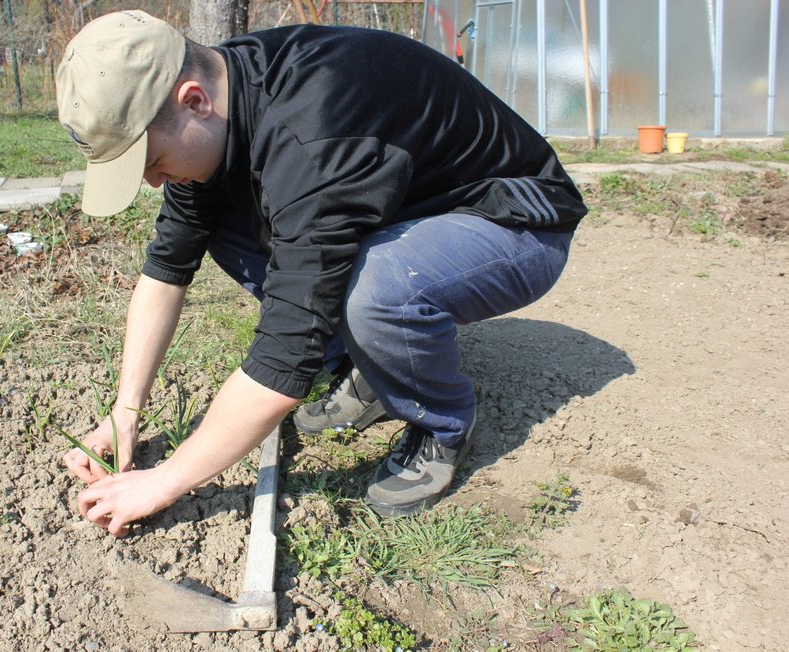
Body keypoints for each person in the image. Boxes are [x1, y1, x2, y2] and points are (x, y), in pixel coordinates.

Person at [56, 10, 587, 535]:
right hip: (412, 206)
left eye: (152, 161)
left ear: (194, 100)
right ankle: (374, 369)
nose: (153, 183)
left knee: (376, 287)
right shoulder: (229, 93)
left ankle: (441, 424)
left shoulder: (311, 137)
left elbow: (287, 353)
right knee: (229, 224)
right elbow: (166, 270)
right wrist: (126, 411)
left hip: (515, 224)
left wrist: (164, 481)